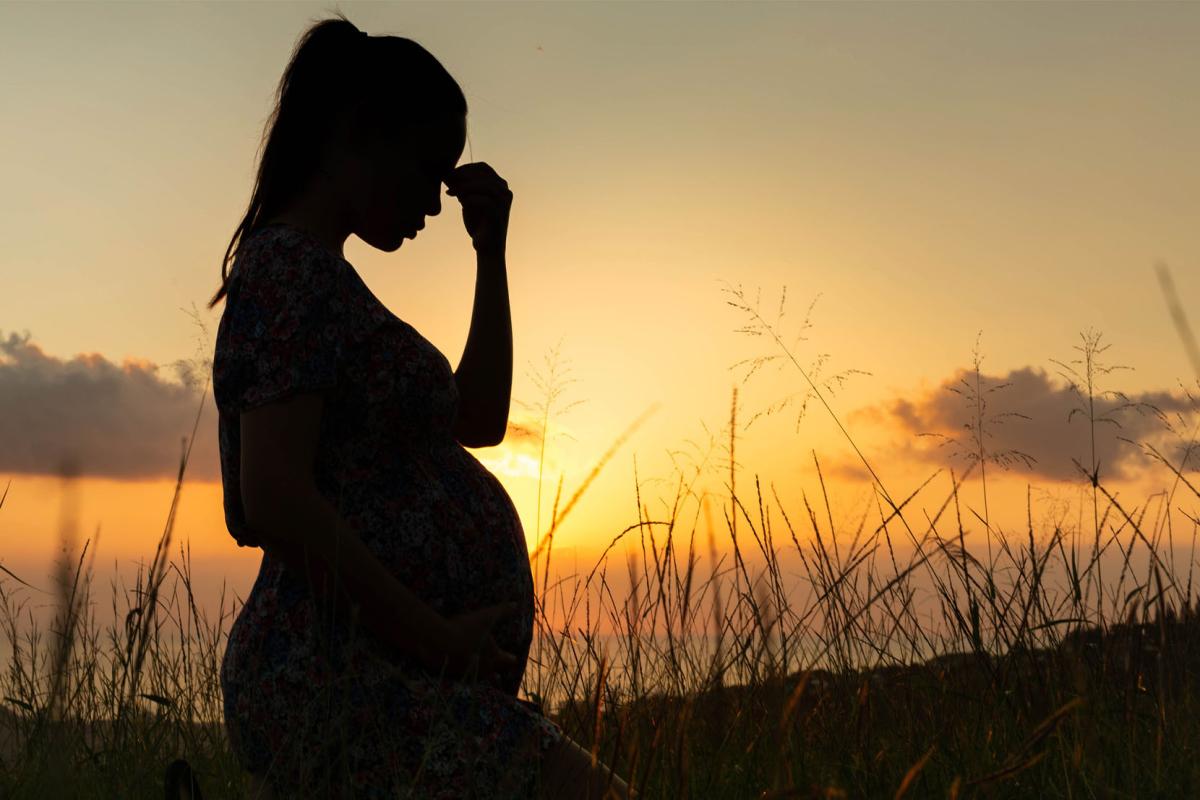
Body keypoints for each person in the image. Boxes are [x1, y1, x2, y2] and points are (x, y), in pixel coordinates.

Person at [206, 14, 631, 799]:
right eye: (427, 169)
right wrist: (434, 637)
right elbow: (273, 498)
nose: (436, 203)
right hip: (336, 673)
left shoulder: (323, 282)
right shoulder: (290, 272)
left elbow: (478, 419)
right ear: (354, 137)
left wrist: (491, 251)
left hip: (376, 668)